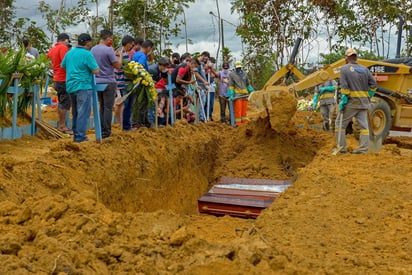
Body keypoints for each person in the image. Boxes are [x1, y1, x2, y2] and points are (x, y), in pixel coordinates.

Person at [334, 48, 377, 154]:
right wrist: (369, 95)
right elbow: (374, 85)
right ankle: (363, 149)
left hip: (352, 102)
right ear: (356, 57)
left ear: (347, 58)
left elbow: (344, 87)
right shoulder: (365, 69)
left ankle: (341, 148)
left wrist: (344, 100)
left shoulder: (344, 69)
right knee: (364, 127)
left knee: (339, 124)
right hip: (363, 103)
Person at [61, 33, 99, 143]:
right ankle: (80, 137)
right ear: (88, 43)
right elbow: (96, 70)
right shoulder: (87, 54)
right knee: (83, 112)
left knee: (76, 112)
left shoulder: (70, 53)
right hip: (83, 85)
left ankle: (76, 135)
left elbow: (63, 66)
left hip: (71, 86)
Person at [91, 29, 122, 139]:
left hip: (97, 81)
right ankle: (106, 131)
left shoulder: (93, 49)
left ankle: (100, 129)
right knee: (108, 108)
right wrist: (120, 56)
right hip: (108, 81)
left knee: (101, 106)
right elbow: (117, 65)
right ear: (108, 39)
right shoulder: (109, 50)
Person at [47, 33, 73, 135]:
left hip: (56, 79)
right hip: (63, 79)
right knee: (65, 102)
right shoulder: (63, 48)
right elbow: (65, 62)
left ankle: (61, 124)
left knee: (62, 101)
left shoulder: (52, 49)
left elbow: (48, 62)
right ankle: (62, 126)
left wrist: (55, 68)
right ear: (65, 40)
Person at [131, 39, 154, 129]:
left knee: (137, 103)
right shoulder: (142, 56)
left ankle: (139, 122)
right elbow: (139, 68)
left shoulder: (136, 54)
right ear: (148, 48)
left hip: (137, 81)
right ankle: (139, 123)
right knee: (141, 103)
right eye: (151, 49)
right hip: (141, 83)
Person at [113, 35, 134, 129]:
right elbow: (119, 67)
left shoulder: (122, 51)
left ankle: (124, 124)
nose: (132, 46)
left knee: (123, 104)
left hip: (123, 82)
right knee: (122, 104)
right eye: (131, 44)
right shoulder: (120, 52)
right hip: (121, 82)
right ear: (128, 43)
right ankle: (123, 125)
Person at [228, 60, 254, 126]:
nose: (238, 69)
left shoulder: (245, 74)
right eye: (237, 68)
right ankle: (238, 124)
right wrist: (231, 94)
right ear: (235, 67)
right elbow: (231, 86)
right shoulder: (232, 74)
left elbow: (248, 84)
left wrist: (251, 90)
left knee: (244, 110)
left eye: (239, 68)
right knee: (238, 110)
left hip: (245, 94)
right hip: (237, 95)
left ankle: (244, 123)